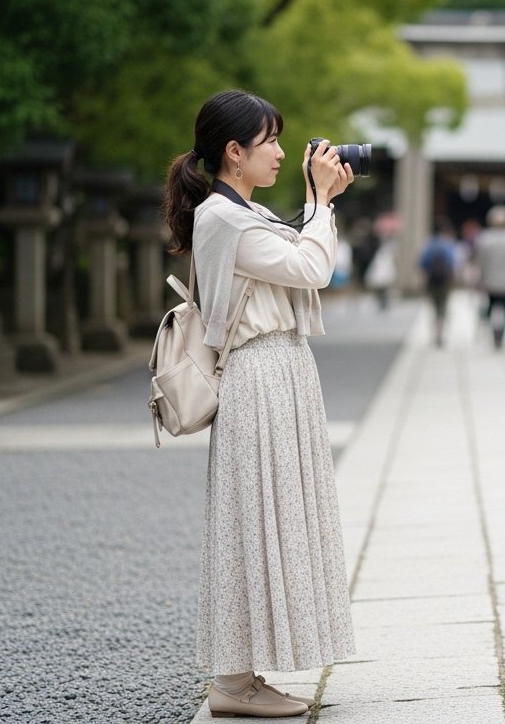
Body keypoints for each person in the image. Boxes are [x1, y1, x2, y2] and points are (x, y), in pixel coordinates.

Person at [163, 90, 354, 718]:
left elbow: (299, 258)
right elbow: (314, 269)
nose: (279, 153)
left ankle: (243, 675)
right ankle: (232, 681)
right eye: (268, 142)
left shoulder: (243, 212)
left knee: (270, 519)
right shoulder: (224, 218)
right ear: (233, 152)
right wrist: (321, 203)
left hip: (281, 371)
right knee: (255, 521)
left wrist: (314, 206)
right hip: (260, 374)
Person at [476, 205, 505, 349]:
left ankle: (493, 332)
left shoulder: (485, 239)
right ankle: (501, 335)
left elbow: (481, 262)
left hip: (490, 279)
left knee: (491, 306)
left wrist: (480, 279)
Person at [419, 222, 456, 347]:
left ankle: (435, 331)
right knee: (443, 307)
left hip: (432, 280)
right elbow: (453, 264)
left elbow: (422, 263)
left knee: (434, 307)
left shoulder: (429, 244)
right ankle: (441, 332)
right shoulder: (448, 245)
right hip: (444, 280)